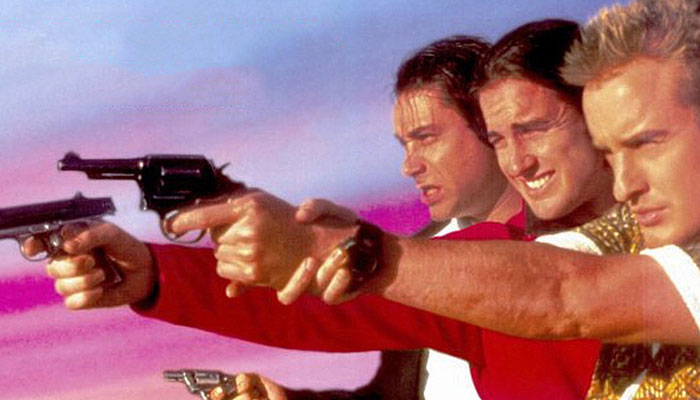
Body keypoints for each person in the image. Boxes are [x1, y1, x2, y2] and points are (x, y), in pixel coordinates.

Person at [40, 20, 626, 400]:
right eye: (501, 138)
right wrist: (155, 274)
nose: (517, 158)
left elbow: (559, 292)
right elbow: (322, 303)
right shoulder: (467, 256)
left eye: (535, 128)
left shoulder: (660, 244)